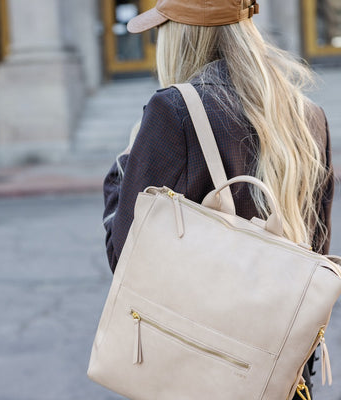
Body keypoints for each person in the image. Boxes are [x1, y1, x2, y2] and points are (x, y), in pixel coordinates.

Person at [101, 0, 335, 398]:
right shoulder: (309, 116)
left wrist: (125, 164)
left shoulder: (173, 111)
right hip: (277, 378)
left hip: (196, 373)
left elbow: (125, 256)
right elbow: (314, 252)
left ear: (182, 33)